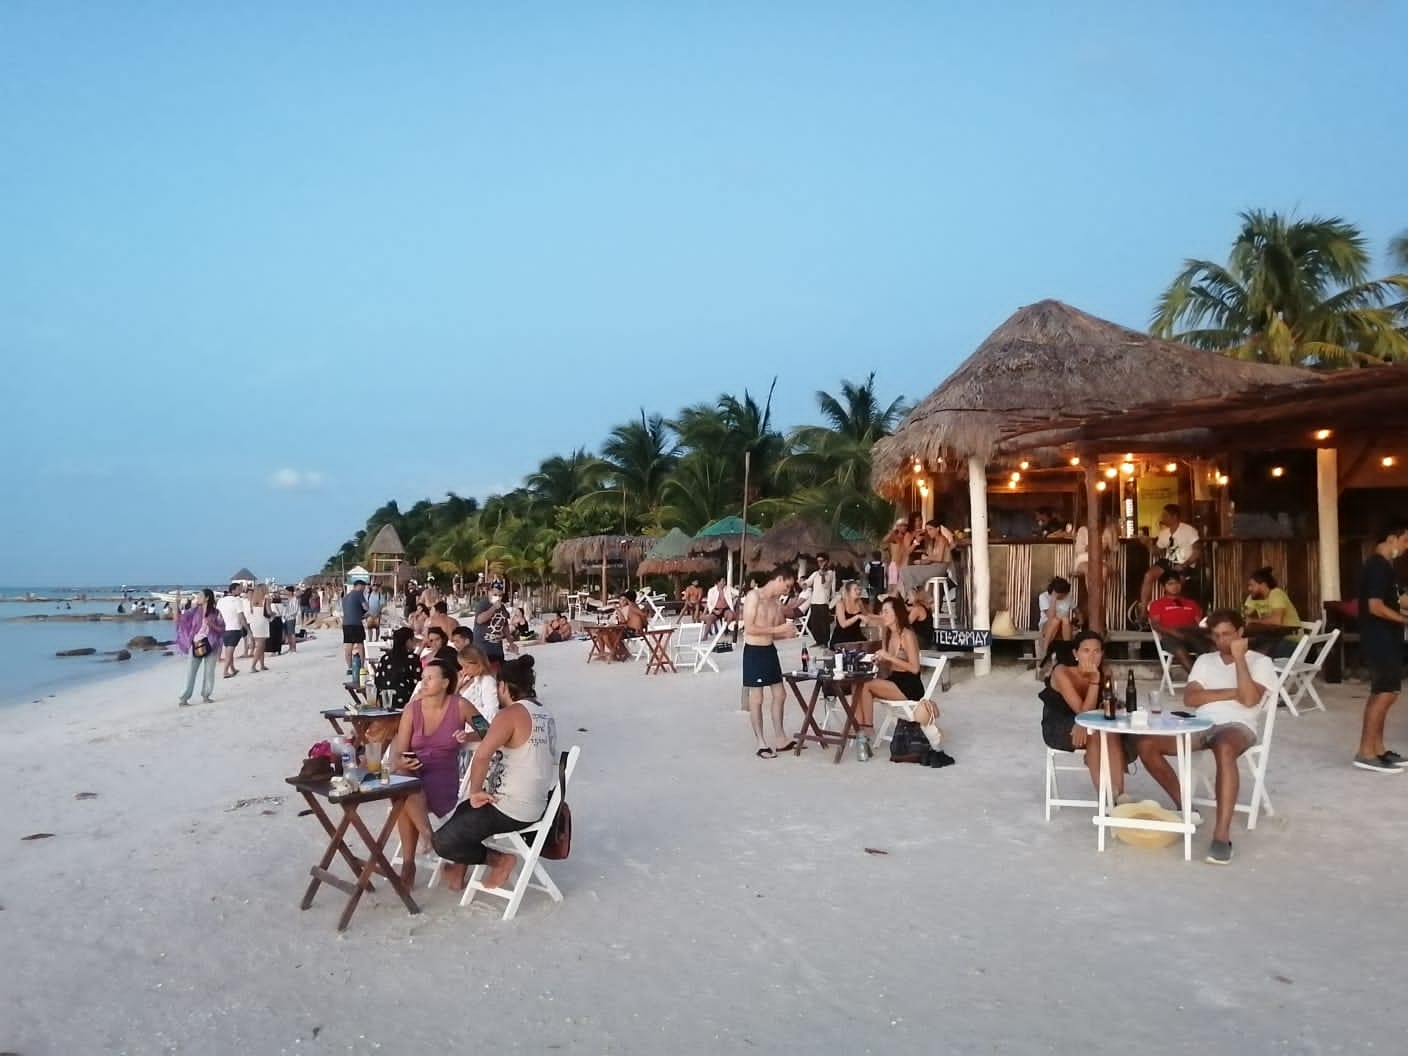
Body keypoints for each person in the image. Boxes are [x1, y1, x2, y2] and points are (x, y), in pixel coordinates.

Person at [1136, 610, 1276, 865]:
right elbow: (1190, 698)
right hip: (1201, 724)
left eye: (1228, 634)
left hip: (1238, 725)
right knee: (1146, 743)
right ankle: (1186, 808)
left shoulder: (1260, 663)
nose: (1222, 640)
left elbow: (1249, 700)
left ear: (1240, 633)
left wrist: (1240, 660)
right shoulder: (1205, 661)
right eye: (1217, 636)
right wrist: (1232, 692)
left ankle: (1221, 837)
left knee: (1223, 746)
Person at [433, 655, 558, 892]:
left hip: (511, 806)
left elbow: (483, 748)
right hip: (536, 802)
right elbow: (490, 733)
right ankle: (457, 873)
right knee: (464, 810)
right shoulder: (543, 713)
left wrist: (476, 792)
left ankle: (500, 861)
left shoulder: (500, 712)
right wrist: (468, 736)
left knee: (444, 839)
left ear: (502, 686)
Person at [387, 659, 490, 886]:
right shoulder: (412, 709)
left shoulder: (459, 705)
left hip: (443, 779)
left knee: (402, 793)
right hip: (414, 772)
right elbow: (400, 752)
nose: (423, 683)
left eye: (429, 678)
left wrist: (469, 736)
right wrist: (404, 760)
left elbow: (487, 730)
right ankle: (428, 836)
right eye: (423, 678)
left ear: (445, 682)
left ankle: (408, 865)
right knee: (404, 781)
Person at [1040, 630, 1128, 801]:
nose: (1092, 656)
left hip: (1089, 722)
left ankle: (1120, 797)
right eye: (1086, 650)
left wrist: (1086, 722)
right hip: (1059, 724)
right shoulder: (1062, 672)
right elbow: (1082, 712)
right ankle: (1106, 798)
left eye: (1097, 651)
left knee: (1110, 733)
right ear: (1076, 653)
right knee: (1095, 734)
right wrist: (1094, 681)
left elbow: (1107, 706)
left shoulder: (1106, 671)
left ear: (1102, 654)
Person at [1353, 520, 1408, 773]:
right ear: (1391, 538)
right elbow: (1375, 606)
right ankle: (1366, 752)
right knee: (1385, 693)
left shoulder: (1385, 566)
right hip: (1380, 638)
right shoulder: (1377, 566)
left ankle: (1378, 748)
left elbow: (1394, 601)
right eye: (1405, 540)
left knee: (1385, 692)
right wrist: (1404, 620)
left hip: (1386, 638)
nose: (1407, 546)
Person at [742, 566, 800, 758]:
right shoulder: (754, 597)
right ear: (779, 579)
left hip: (769, 650)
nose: (788, 590)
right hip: (754, 650)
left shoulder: (776, 603)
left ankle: (780, 738)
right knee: (757, 698)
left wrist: (788, 633)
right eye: (787, 586)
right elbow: (750, 628)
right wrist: (779, 630)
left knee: (780, 694)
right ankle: (761, 743)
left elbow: (776, 631)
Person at [853, 596, 927, 734]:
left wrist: (889, 657)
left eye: (886, 611)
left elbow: (915, 668)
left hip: (909, 684)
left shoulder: (907, 635)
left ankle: (866, 729)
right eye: (882, 611)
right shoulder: (888, 633)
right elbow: (889, 663)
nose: (883, 615)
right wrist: (880, 659)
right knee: (856, 684)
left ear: (897, 613)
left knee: (867, 684)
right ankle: (860, 727)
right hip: (894, 679)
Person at [1139, 505, 1202, 615]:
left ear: (1174, 516)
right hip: (1168, 561)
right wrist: (1148, 544)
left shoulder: (1189, 530)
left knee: (1177, 583)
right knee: (1148, 575)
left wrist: (1184, 565)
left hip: (1184, 563)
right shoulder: (1164, 533)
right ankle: (1143, 611)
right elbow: (1157, 552)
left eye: (1165, 515)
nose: (1162, 517)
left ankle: (1178, 613)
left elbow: (1197, 551)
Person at [1148, 570, 1207, 672]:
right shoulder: (1157, 604)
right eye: (1170, 584)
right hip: (1170, 637)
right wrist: (1174, 633)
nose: (1174, 586)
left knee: (1210, 649)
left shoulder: (1191, 603)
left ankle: (1213, 678)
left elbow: (1200, 623)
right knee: (1180, 651)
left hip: (1191, 635)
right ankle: (1197, 679)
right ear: (1164, 586)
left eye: (1177, 583)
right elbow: (1156, 625)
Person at [174, 588, 224, 706]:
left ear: (207, 597)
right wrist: (176, 604)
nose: (198, 597)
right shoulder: (194, 610)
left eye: (200, 595)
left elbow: (222, 628)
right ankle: (184, 698)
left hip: (211, 644)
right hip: (195, 644)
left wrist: (212, 625)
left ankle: (206, 696)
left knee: (209, 672)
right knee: (191, 672)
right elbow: (180, 619)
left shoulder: (216, 612)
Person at [1242, 568, 1302, 658]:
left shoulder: (1276, 594)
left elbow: (1276, 621)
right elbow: (1245, 614)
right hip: (1272, 637)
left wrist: (1252, 620)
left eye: (1252, 585)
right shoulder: (1254, 597)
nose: (1249, 588)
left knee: (1260, 654)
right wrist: (1243, 615)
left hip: (1291, 639)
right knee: (1247, 648)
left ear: (1263, 585)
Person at [899, 517, 956, 595]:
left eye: (930, 529)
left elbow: (939, 558)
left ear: (937, 529)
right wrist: (921, 562)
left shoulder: (942, 540)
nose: (929, 532)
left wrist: (927, 558)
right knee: (904, 570)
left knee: (906, 571)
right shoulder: (934, 541)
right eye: (927, 530)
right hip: (933, 566)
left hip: (939, 569)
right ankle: (912, 594)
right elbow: (931, 558)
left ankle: (913, 596)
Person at [375, 626, 422, 710]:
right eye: (413, 640)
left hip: (385, 701)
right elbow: (418, 683)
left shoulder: (385, 658)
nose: (415, 643)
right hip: (406, 703)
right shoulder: (413, 659)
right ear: (408, 641)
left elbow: (378, 681)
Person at [1037, 577, 1076, 677]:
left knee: (1066, 620)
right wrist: (1053, 599)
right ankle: (1045, 650)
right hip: (1048, 625)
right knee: (1055, 620)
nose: (1065, 596)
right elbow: (1050, 617)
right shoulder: (1044, 597)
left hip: (1064, 626)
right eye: (1063, 595)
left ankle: (1066, 650)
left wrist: (1080, 618)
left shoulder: (1068, 596)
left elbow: (1076, 610)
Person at [473, 589, 515, 670]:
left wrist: (511, 642)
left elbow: (505, 625)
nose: (498, 597)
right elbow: (480, 620)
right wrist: (494, 608)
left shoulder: (502, 607)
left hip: (497, 648)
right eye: (495, 595)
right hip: (483, 648)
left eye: (500, 595)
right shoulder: (483, 604)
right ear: (489, 592)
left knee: (499, 672)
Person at [803, 554, 837, 647]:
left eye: (821, 561)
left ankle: (825, 642)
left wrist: (822, 574)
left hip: (823, 602)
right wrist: (804, 584)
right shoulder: (815, 573)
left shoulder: (830, 573)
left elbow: (825, 584)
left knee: (823, 624)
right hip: (814, 601)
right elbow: (808, 582)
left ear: (826, 561)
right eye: (818, 561)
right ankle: (818, 641)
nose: (820, 563)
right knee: (815, 623)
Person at [215, 583, 248, 679]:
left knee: (229, 651)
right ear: (233, 590)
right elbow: (241, 617)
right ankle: (225, 671)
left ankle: (232, 668)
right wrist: (248, 629)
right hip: (235, 629)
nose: (241, 590)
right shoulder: (238, 601)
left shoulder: (221, 600)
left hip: (225, 629)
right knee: (229, 652)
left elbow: (219, 615)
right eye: (239, 589)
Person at [830, 580, 869, 648]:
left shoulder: (859, 602)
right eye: (855, 589)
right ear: (848, 592)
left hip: (856, 636)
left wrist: (880, 617)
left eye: (859, 589)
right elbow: (843, 624)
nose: (858, 592)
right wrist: (857, 616)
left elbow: (866, 616)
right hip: (842, 639)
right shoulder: (840, 604)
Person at [341, 580, 368, 674]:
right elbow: (366, 607)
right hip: (356, 623)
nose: (364, 589)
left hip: (346, 624)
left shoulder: (345, 597)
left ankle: (349, 668)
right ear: (359, 586)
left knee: (348, 645)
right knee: (360, 645)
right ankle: (361, 667)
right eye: (364, 587)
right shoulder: (358, 594)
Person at [243, 585, 272, 673]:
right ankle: (253, 666)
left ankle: (262, 665)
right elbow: (269, 612)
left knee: (260, 645)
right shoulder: (266, 599)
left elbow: (252, 612)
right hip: (262, 622)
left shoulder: (252, 600)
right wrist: (274, 614)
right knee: (260, 646)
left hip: (254, 622)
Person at [884, 519, 912, 595]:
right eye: (901, 525)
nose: (903, 527)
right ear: (897, 526)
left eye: (905, 525)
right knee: (892, 588)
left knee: (903, 588)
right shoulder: (894, 537)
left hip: (903, 565)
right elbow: (885, 540)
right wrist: (893, 531)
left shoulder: (908, 536)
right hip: (894, 565)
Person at [279, 587, 300, 653]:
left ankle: (294, 648)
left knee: (292, 633)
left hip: (291, 618)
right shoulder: (288, 599)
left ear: (290, 592)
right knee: (288, 634)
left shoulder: (295, 599)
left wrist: (288, 615)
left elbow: (295, 610)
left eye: (286, 591)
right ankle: (290, 647)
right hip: (285, 618)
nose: (285, 592)